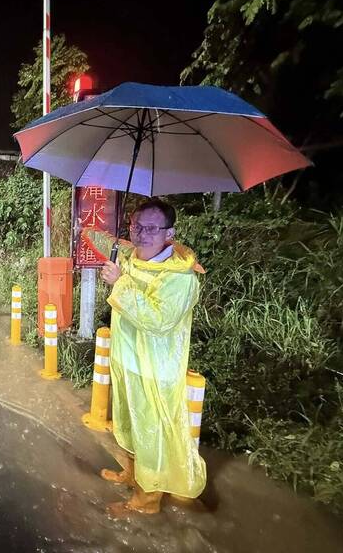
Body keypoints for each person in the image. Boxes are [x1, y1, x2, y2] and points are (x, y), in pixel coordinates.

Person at [98, 197, 206, 516]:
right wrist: (120, 275)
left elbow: (160, 322)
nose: (142, 234)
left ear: (169, 233)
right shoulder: (132, 259)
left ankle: (147, 500)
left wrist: (120, 284)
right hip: (126, 360)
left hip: (155, 370)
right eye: (136, 226)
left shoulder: (181, 278)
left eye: (151, 228)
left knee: (152, 434)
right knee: (130, 424)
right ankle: (132, 475)